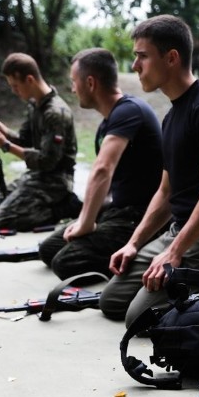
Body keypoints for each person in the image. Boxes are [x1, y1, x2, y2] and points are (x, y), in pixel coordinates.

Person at [99, 15, 199, 328]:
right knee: (111, 301)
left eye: (142, 56)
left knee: (137, 319)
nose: (134, 66)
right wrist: (134, 242)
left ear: (171, 58)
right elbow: (166, 192)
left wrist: (174, 252)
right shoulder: (171, 116)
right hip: (182, 231)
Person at [38, 48, 164, 281]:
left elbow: (102, 169)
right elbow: (108, 186)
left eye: (74, 82)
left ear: (90, 82)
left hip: (139, 217)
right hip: (118, 212)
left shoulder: (129, 111)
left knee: (65, 262)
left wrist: (86, 224)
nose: (72, 89)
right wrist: (91, 217)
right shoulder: (110, 122)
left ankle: (141, 257)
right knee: (49, 249)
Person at [0, 53, 80, 231]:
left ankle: (64, 208)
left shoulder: (55, 113)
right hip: (35, 176)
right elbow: (23, 140)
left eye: (16, 86)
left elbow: (47, 161)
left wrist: (5, 146)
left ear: (29, 79)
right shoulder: (34, 105)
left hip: (54, 182)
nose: (15, 92)